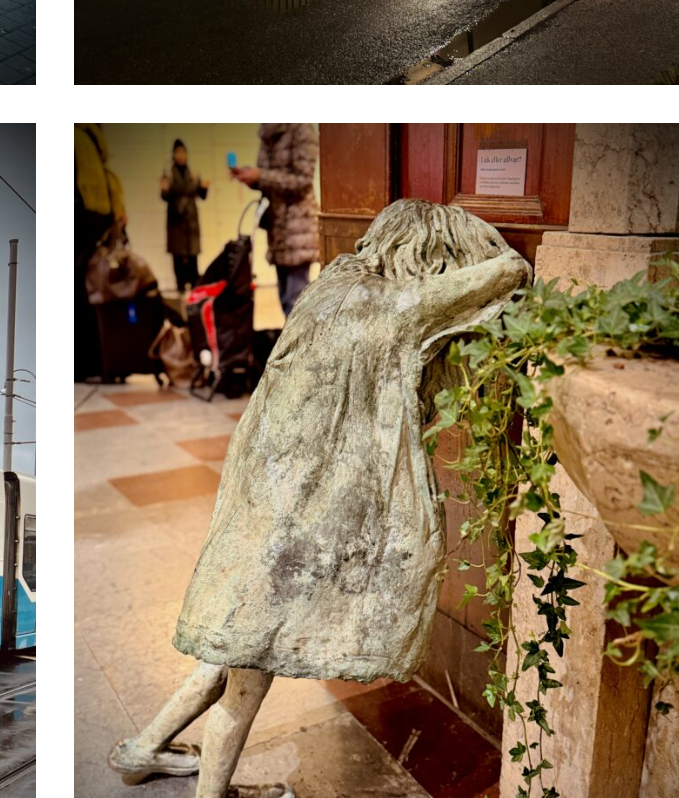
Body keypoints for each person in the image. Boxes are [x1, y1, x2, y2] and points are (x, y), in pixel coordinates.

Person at [108, 201, 529, 798]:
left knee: (236, 646)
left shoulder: (331, 284)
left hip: (259, 496)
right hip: (297, 519)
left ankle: (141, 749)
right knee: (248, 676)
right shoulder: (398, 307)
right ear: (427, 255)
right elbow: (506, 271)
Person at [229, 123, 318, 320]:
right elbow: (272, 180)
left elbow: (303, 180)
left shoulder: (301, 128)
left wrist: (262, 175)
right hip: (277, 227)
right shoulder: (267, 131)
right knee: (285, 298)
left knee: (296, 302)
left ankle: (302, 349)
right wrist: (253, 178)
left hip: (297, 226)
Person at [75, 125, 128, 380]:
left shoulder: (76, 137)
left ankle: (84, 364)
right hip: (99, 225)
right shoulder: (93, 141)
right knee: (95, 297)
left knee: (80, 296)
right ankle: (105, 362)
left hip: (82, 224)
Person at [160, 139, 209, 292]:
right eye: (177, 152)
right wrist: (165, 189)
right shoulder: (169, 174)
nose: (181, 155)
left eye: (183, 152)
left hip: (191, 220)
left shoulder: (193, 173)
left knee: (193, 256)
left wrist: (203, 188)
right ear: (173, 155)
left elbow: (201, 195)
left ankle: (194, 288)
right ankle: (180, 287)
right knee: (178, 257)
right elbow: (164, 196)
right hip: (176, 220)